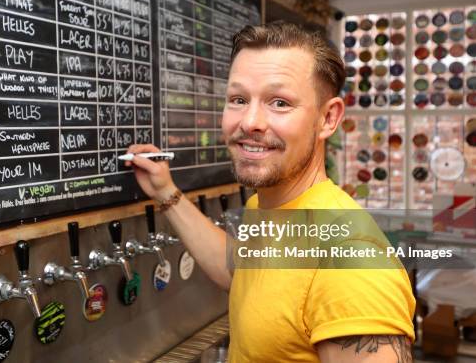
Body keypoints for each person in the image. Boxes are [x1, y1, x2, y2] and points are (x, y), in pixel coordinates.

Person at [125, 22, 415, 362]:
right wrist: (165, 192)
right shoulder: (267, 206)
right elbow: (240, 272)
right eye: (238, 99)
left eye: (279, 102)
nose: (250, 122)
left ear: (328, 118)